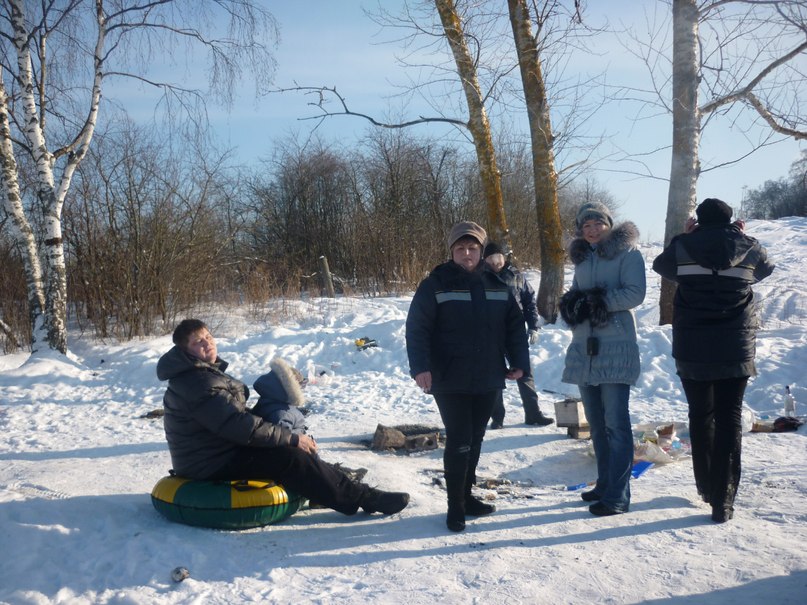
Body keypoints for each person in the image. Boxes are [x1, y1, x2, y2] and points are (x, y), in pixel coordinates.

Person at [156, 319, 409, 517]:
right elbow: (238, 426)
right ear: (184, 351)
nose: (208, 343)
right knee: (290, 456)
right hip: (210, 462)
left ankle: (329, 485)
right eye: (197, 342)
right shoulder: (198, 383)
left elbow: (233, 420)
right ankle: (364, 499)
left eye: (208, 337)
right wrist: (291, 439)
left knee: (284, 435)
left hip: (218, 451)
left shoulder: (200, 375)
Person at [652, 198, 774, 523]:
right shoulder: (749, 246)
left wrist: (683, 237)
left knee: (700, 415)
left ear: (698, 222)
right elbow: (765, 269)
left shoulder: (684, 246)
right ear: (732, 220)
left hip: (693, 346)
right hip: (735, 346)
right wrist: (739, 238)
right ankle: (724, 499)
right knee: (729, 419)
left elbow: (661, 266)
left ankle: (706, 486)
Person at [406, 221, 530, 532]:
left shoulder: (497, 284)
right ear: (451, 251)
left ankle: (466, 496)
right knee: (459, 439)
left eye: (472, 248)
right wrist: (420, 367)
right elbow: (417, 328)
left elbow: (515, 326)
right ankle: (455, 507)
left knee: (476, 438)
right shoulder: (436, 283)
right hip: (449, 377)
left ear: (481, 250)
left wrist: (519, 361)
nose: (466, 253)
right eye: (460, 248)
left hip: (488, 375)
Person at [559, 202, 646, 516]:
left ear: (609, 224)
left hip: (616, 345)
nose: (592, 230)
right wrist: (572, 305)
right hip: (585, 347)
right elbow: (575, 292)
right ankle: (605, 483)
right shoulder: (583, 258)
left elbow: (635, 293)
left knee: (616, 425)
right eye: (586, 226)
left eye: (597, 224)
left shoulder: (628, 253)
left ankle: (618, 496)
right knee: (596, 424)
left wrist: (597, 302)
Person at [483, 241, 554, 428]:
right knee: (494, 375)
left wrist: (533, 326)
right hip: (490, 333)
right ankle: (497, 417)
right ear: (485, 260)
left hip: (515, 332)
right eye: (490, 258)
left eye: (497, 257)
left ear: (503, 258)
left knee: (525, 372)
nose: (494, 262)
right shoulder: (480, 276)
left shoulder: (517, 276)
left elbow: (529, 301)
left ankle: (533, 414)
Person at [252, 357, 309, 435]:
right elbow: (284, 439)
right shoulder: (284, 414)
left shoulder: (268, 399)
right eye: (301, 386)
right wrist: (301, 431)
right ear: (294, 389)